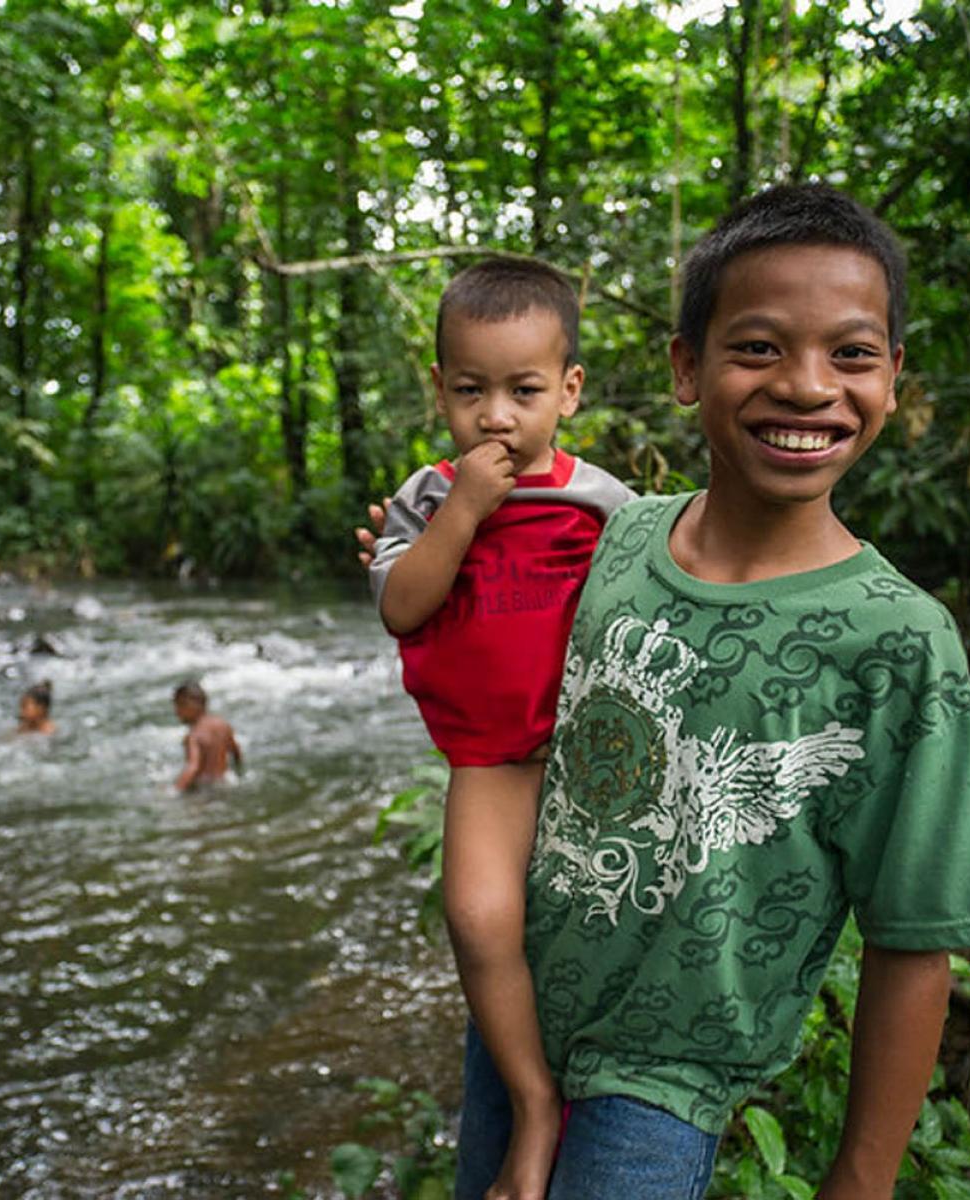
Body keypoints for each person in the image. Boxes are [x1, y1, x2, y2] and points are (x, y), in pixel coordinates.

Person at [371, 185, 970, 1200]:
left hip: (661, 1081)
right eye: (759, 347)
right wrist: (414, 543)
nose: (808, 386)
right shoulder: (617, 538)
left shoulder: (899, 642)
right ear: (687, 368)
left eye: (851, 354)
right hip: (518, 1026)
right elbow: (484, 623)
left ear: (894, 379)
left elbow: (912, 941)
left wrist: (858, 1180)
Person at [366, 257, 633, 1200]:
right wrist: (465, 511)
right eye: (471, 391)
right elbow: (402, 605)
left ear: (568, 390)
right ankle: (532, 1102)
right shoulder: (427, 498)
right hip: (492, 761)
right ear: (438, 388)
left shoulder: (604, 502)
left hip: (597, 766)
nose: (497, 418)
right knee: (478, 919)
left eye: (524, 391)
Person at [172, 681, 242, 791]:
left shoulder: (194, 735)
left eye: (180, 705)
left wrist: (175, 790)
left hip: (203, 789)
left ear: (193, 704)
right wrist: (239, 771)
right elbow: (236, 752)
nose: (176, 711)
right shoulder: (223, 725)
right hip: (224, 783)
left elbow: (192, 767)